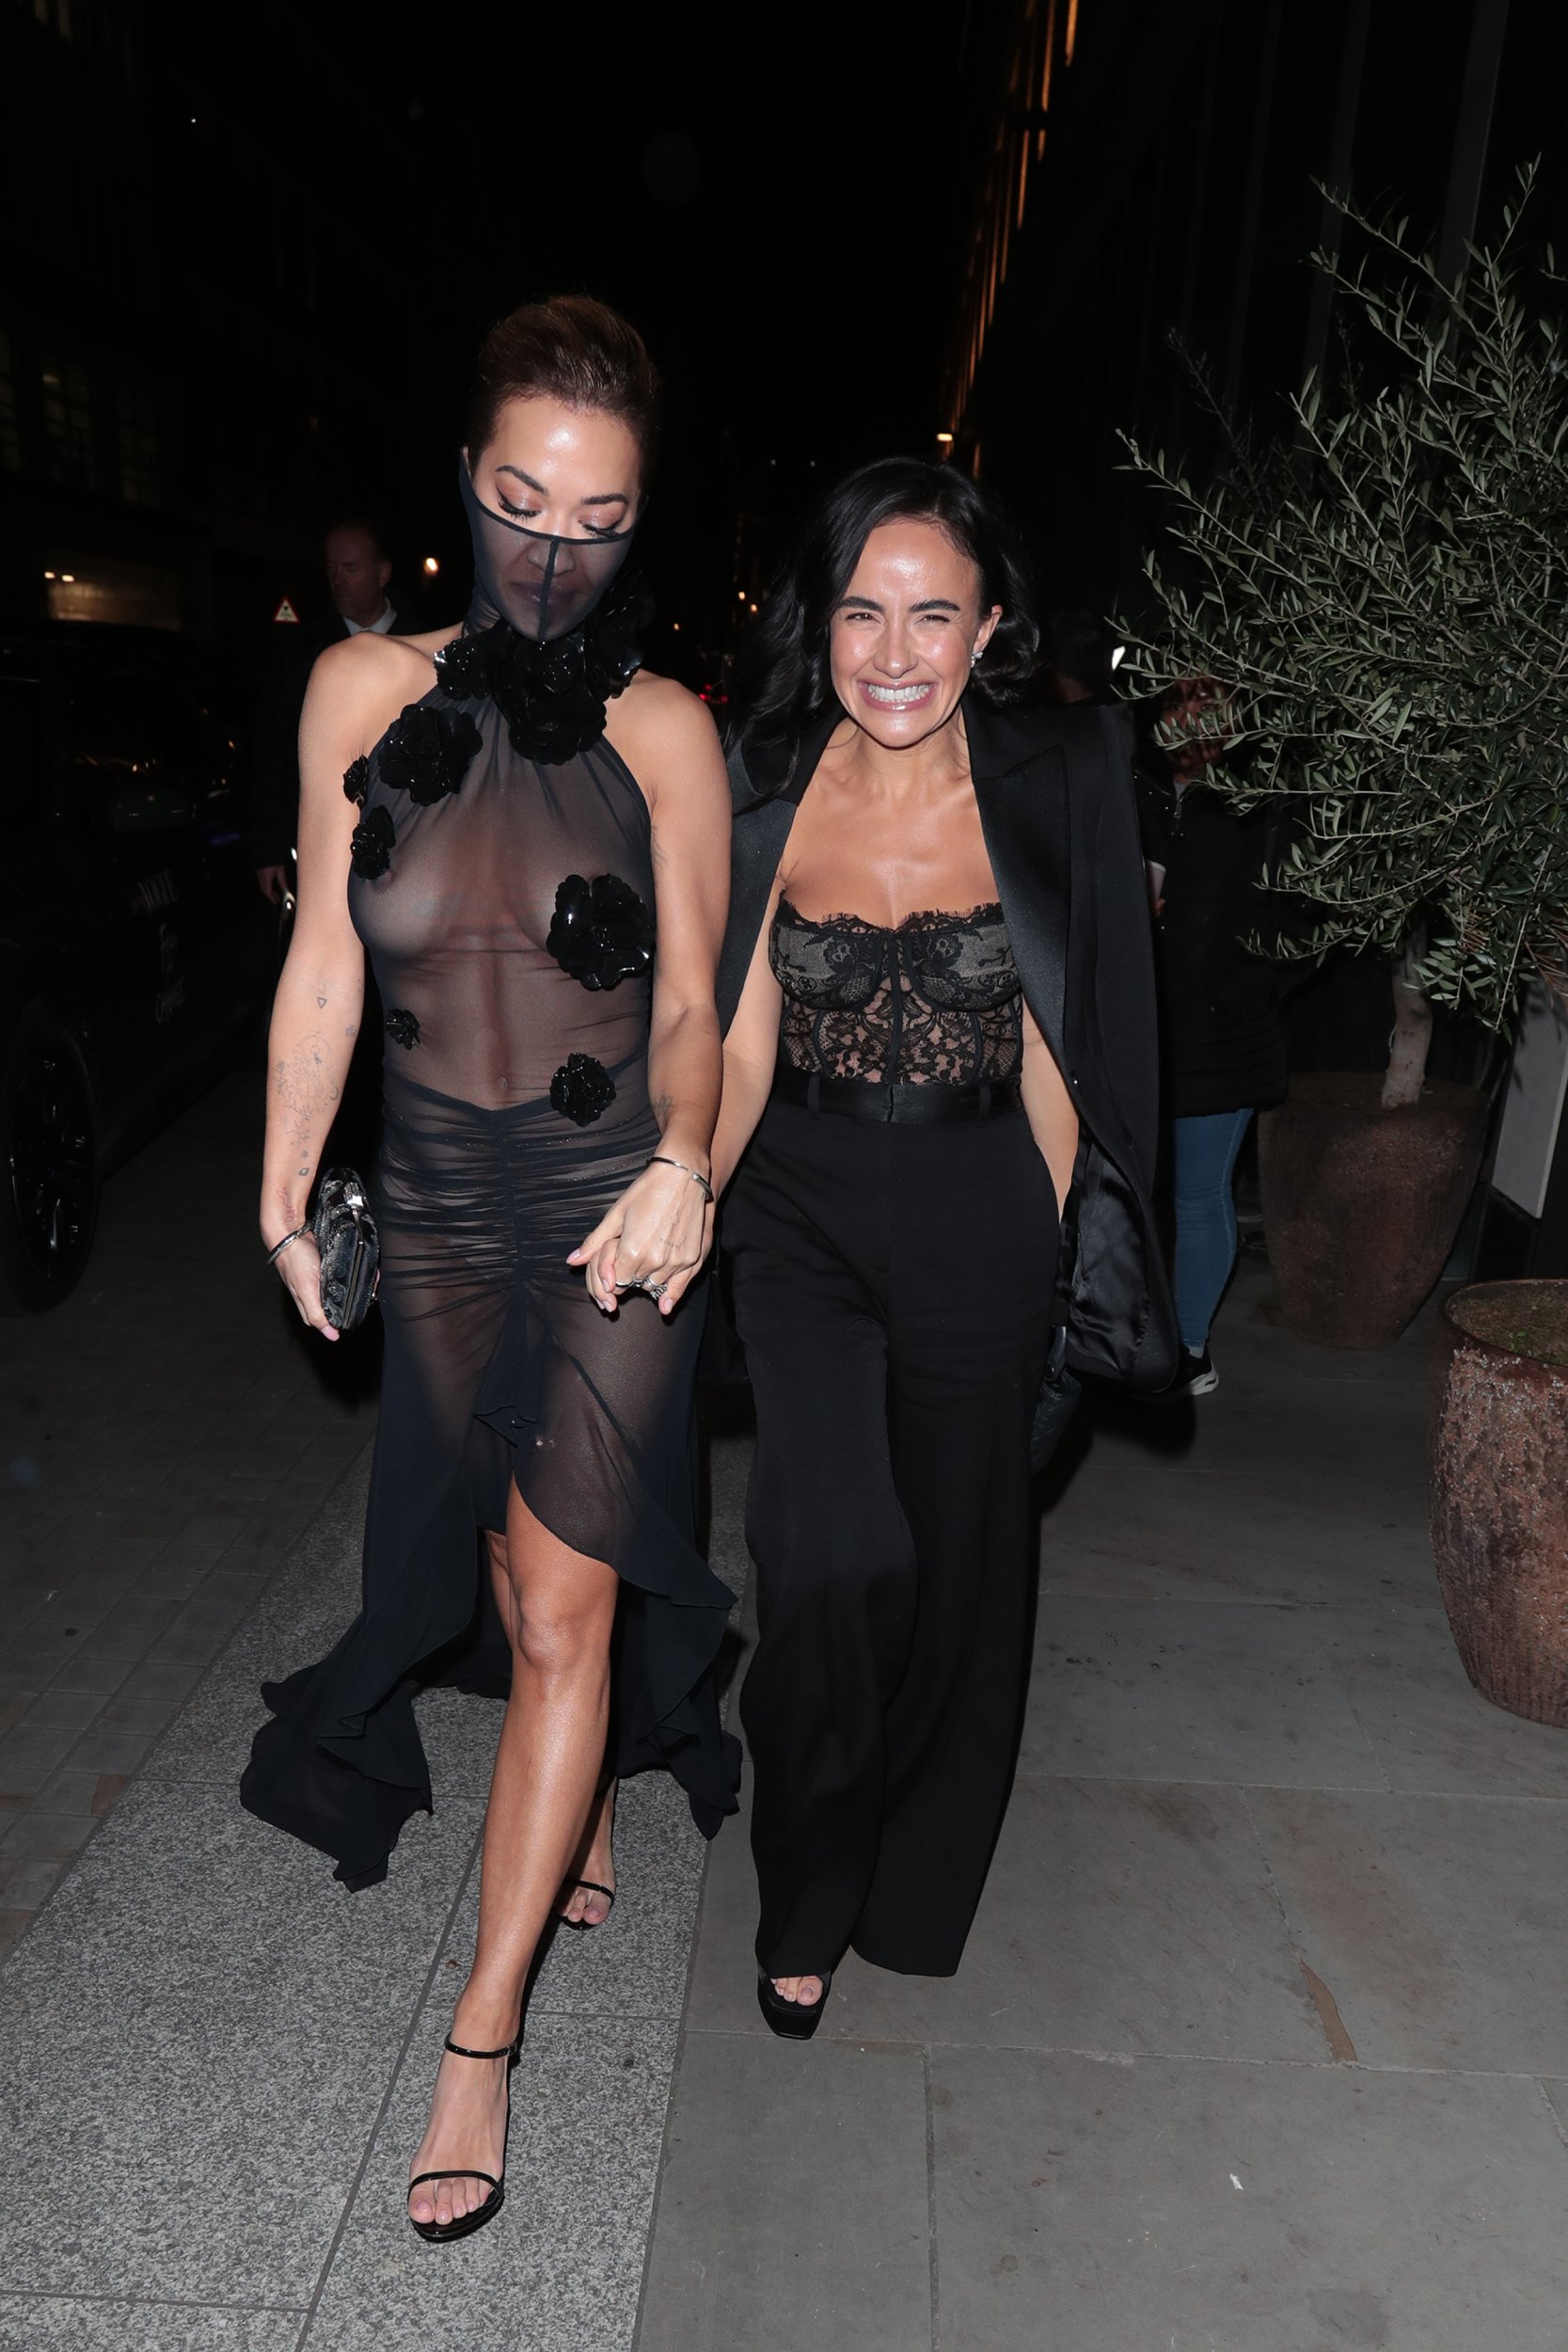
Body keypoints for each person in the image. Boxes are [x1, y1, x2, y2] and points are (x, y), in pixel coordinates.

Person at [239, 295, 737, 2242]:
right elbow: (323, 962)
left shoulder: (666, 728)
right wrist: (286, 1191)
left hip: (610, 1209)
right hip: (437, 1201)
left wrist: (683, 1159)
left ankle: (481, 2031)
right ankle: (580, 1779)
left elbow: (692, 1002)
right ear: (463, 480)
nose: (551, 552)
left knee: (559, 1611)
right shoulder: (357, 692)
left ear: (639, 522)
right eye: (520, 503)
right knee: (497, 1575)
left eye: (597, 520)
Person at [709, 458, 1176, 2036]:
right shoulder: (761, 774)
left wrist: (1051, 1243)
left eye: (931, 615)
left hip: (985, 1201)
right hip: (797, 1205)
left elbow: (1067, 1041)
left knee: (960, 1567)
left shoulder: (1065, 771)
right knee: (826, 1558)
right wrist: (684, 1184)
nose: (893, 652)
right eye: (861, 612)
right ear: (819, 620)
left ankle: (910, 1879)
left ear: (988, 629)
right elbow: (739, 1037)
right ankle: (805, 1885)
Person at [1135, 676, 1292, 1396]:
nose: (1187, 719)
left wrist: (1235, 992)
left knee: (1199, 1193)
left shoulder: (1262, 804)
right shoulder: (1135, 791)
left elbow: (1297, 920)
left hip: (1220, 1033)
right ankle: (1125, 1331)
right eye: (1175, 704)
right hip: (1136, 1023)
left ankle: (1189, 1349)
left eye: (1205, 705)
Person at [247, 518, 418, 903]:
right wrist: (268, 846)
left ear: (382, 573)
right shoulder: (302, 656)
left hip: (411, 845)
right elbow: (273, 750)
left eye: (351, 568)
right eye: (331, 568)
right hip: (327, 847)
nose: (338, 580)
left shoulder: (423, 644)